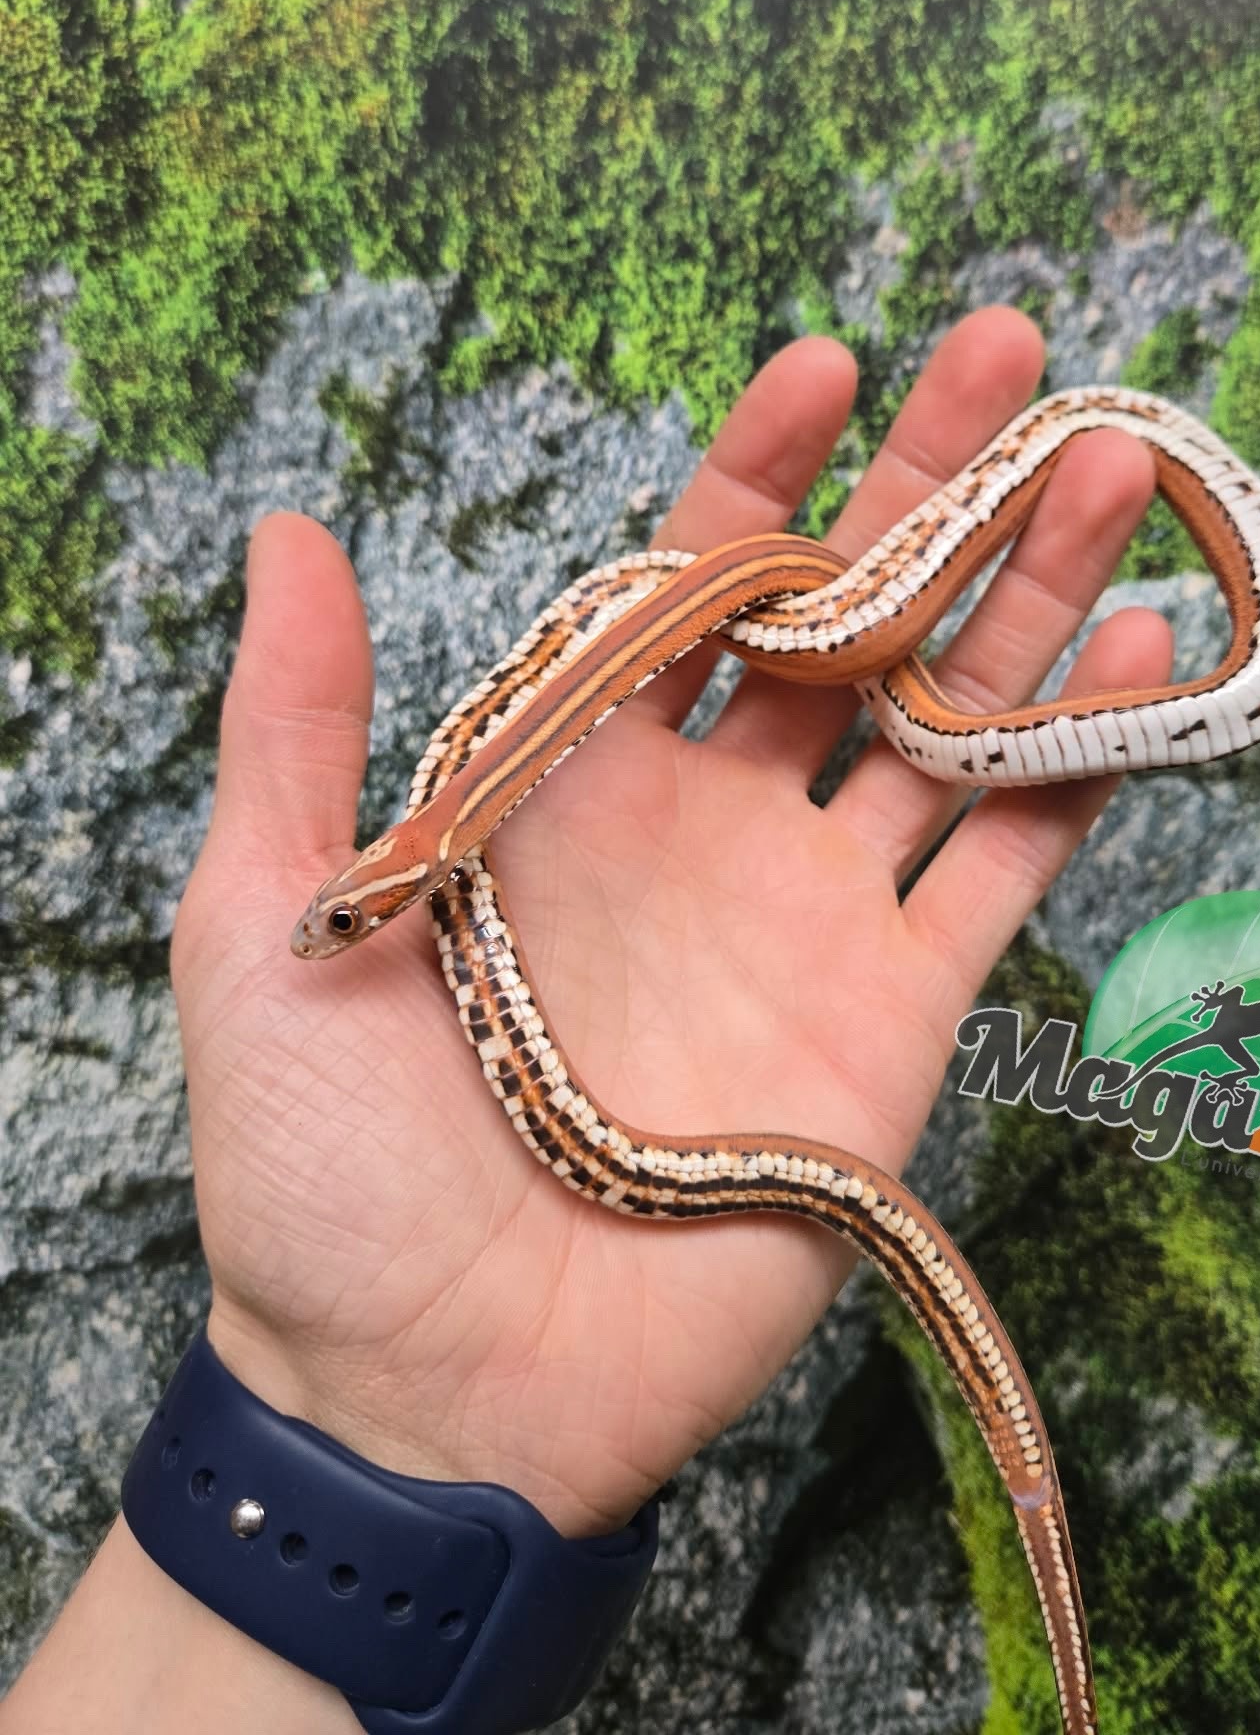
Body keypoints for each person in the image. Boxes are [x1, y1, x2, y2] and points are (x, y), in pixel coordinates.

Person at [1, 308, 1169, 1733]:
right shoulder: (465, 840)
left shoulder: (494, 785)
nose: (330, 940)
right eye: (353, 926)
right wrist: (360, 1410)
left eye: (355, 918)